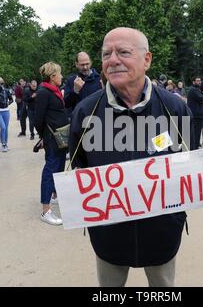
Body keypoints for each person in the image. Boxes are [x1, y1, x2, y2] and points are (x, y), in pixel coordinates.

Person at [69, 27, 191, 287]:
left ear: (147, 59)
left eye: (123, 52)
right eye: (106, 54)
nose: (112, 60)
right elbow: (79, 166)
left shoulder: (175, 107)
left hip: (162, 234)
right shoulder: (85, 111)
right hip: (108, 236)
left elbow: (188, 163)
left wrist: (174, 217)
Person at [34, 63, 72, 225]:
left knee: (58, 168)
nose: (62, 76)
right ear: (52, 76)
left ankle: (54, 196)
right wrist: (44, 137)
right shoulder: (44, 92)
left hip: (60, 135)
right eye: (59, 74)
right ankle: (45, 210)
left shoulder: (52, 91)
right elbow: (38, 118)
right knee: (50, 169)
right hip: (52, 137)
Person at [187, 76, 203, 149]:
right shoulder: (194, 90)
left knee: (195, 131)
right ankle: (194, 147)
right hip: (196, 114)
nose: (199, 82)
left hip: (196, 113)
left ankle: (194, 146)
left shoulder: (196, 89)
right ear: (193, 82)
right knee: (196, 132)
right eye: (197, 81)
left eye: (200, 80)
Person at [0, 77, 14, 152]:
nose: (0, 85)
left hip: (6, 111)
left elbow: (11, 99)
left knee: (6, 128)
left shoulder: (6, 91)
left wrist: (8, 103)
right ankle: (3, 143)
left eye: (1, 84)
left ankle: (5, 143)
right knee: (3, 127)